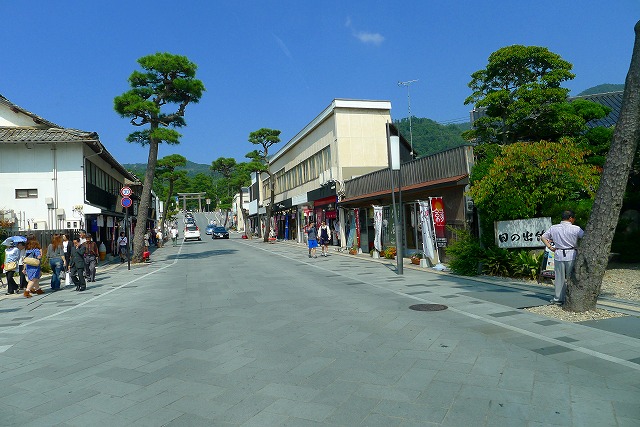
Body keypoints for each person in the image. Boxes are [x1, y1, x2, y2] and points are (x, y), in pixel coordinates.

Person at [541, 210, 585, 305]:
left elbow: (543, 237)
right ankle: (571, 298)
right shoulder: (576, 228)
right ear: (570, 218)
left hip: (558, 253)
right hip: (571, 254)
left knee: (559, 278)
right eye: (573, 218)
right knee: (571, 277)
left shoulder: (554, 228)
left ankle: (558, 298)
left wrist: (550, 247)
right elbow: (585, 237)